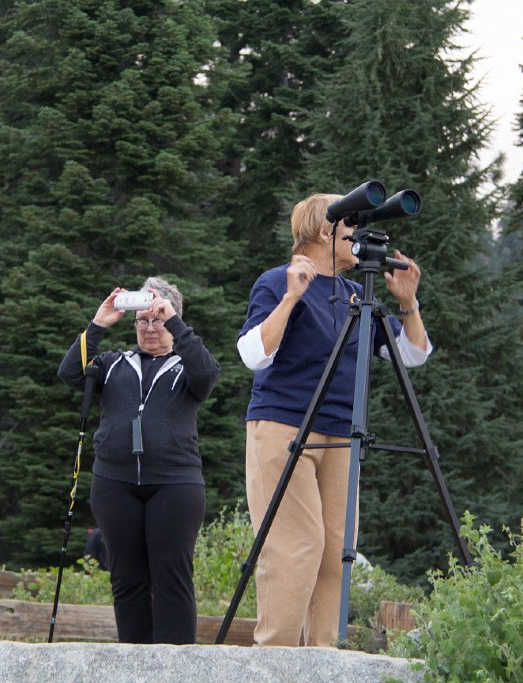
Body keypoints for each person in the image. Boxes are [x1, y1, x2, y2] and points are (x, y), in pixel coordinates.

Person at [237, 194, 432, 647]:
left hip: (342, 432)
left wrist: (408, 303)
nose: (360, 235)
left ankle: (322, 657)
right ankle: (276, 662)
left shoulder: (354, 294)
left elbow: (412, 355)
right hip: (285, 426)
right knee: (296, 546)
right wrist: (291, 298)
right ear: (326, 231)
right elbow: (252, 355)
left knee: (336, 551)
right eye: (352, 225)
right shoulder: (275, 281)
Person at [58, 277, 220, 645]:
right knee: (127, 579)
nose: (149, 329)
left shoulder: (186, 365)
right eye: (142, 321)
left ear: (172, 319)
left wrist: (176, 324)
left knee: (171, 578)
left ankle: (174, 669)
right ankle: (133, 662)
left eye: (158, 319)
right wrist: (98, 323)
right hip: (115, 484)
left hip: (175, 485)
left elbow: (208, 377)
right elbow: (69, 373)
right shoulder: (113, 364)